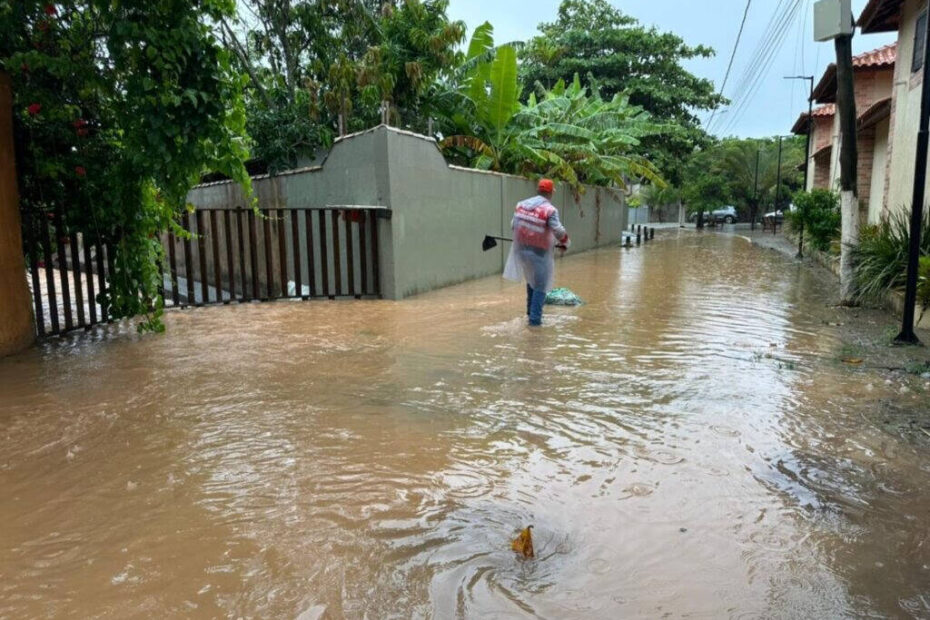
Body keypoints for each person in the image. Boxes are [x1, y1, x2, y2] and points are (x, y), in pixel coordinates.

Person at [503, 178, 570, 326]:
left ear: (538, 190)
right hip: (539, 254)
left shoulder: (521, 205)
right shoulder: (550, 210)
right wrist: (565, 243)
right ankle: (534, 324)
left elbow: (513, 225)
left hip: (521, 251)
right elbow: (558, 231)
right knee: (540, 286)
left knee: (531, 280)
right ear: (551, 193)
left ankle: (529, 314)